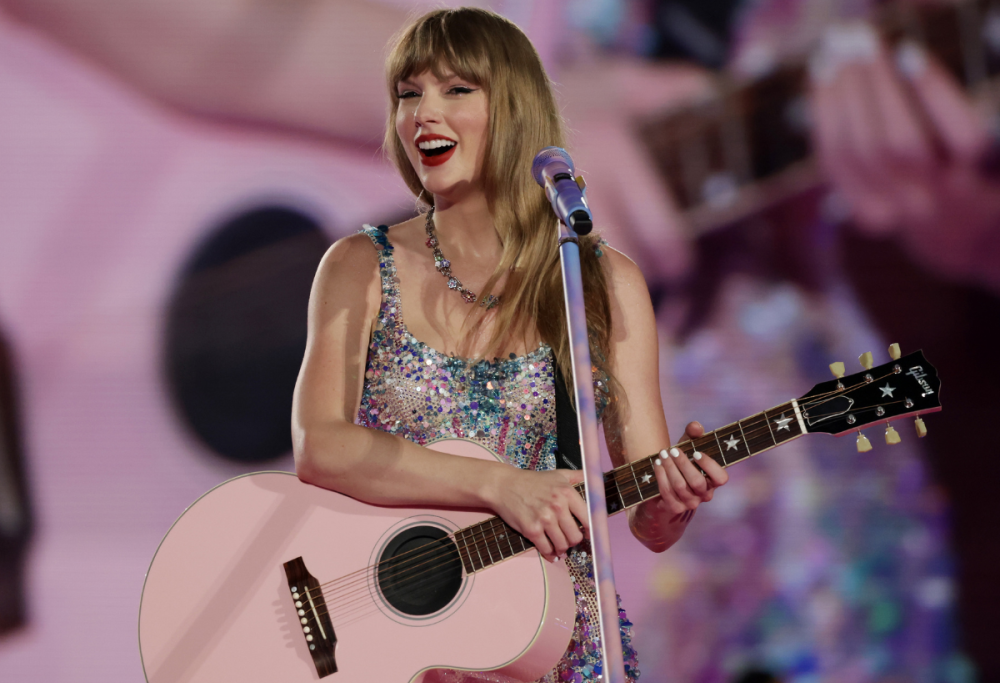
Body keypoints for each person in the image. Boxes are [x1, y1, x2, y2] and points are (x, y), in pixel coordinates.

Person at [290, 8, 728, 682]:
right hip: (412, 656)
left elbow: (647, 518)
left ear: (516, 108)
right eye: (409, 94)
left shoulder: (602, 283)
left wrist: (672, 502)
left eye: (456, 90)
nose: (424, 114)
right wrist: (501, 486)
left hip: (560, 651)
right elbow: (321, 445)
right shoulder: (359, 265)